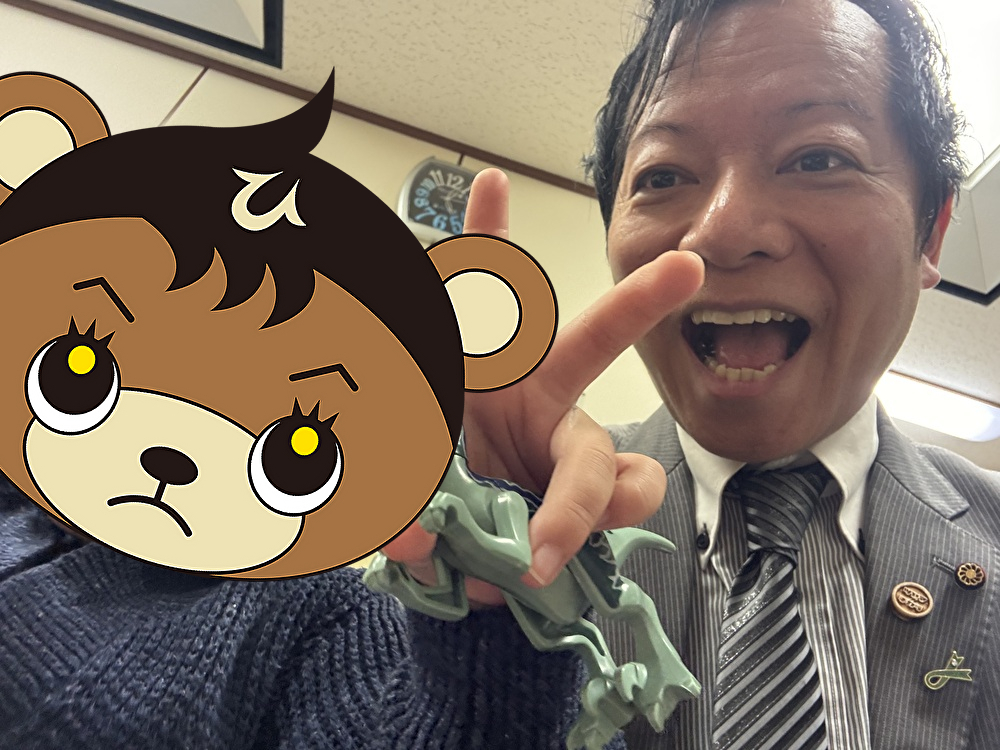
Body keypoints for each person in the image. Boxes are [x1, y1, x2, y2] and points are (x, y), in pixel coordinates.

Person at [387, 0, 1000, 747]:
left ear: (931, 229)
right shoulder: (484, 521)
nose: (724, 229)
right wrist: (483, 573)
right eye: (665, 174)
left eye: (818, 159)